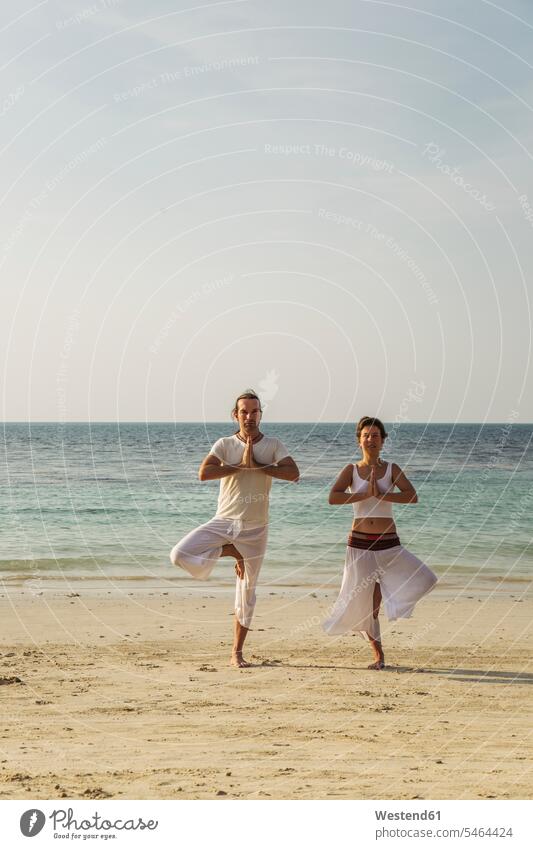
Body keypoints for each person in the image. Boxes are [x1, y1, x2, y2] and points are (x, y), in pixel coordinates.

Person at [170, 390, 299, 667]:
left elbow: (293, 473)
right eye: (244, 411)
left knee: (247, 591)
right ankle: (229, 551)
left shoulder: (273, 445)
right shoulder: (225, 444)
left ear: (261, 414)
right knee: (179, 554)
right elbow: (204, 473)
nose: (249, 417)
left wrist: (259, 467)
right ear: (235, 415)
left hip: (255, 529)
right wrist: (239, 466)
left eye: (254, 411)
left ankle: (236, 653)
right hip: (224, 522)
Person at [323, 416, 437, 669]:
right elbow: (333, 497)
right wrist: (365, 494)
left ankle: (392, 598)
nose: (370, 439)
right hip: (360, 546)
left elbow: (412, 496)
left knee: (427, 578)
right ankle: (379, 656)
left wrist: (383, 493)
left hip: (389, 545)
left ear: (383, 440)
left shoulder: (392, 469)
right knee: (367, 608)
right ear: (359, 440)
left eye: (376, 435)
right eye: (366, 435)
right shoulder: (351, 470)